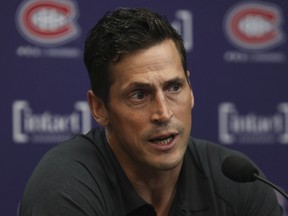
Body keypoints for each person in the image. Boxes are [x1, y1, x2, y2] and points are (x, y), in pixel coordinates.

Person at [19, 7, 282, 216]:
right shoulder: (65, 186)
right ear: (99, 108)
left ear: (191, 90)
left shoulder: (240, 183)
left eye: (174, 87)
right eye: (139, 95)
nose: (163, 113)